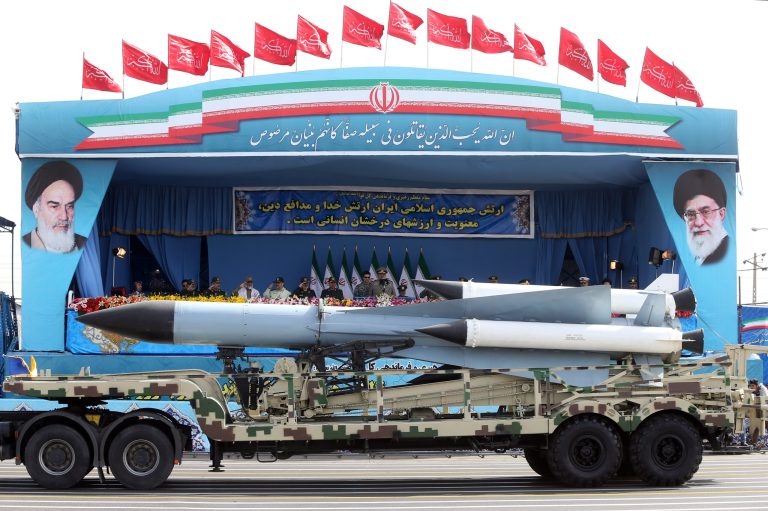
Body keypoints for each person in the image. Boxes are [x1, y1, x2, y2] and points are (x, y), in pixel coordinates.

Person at [22, 160, 87, 253]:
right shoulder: (25, 244)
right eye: (54, 206)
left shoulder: (85, 244)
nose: (64, 216)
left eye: (69, 206)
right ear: (36, 209)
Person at [673, 168, 729, 265]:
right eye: (691, 214)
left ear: (721, 214)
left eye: (706, 212)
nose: (699, 223)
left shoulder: (725, 253)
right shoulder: (697, 257)